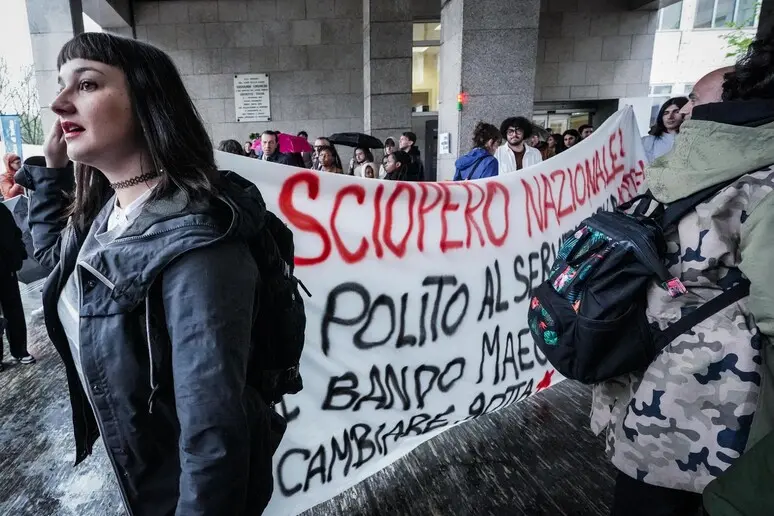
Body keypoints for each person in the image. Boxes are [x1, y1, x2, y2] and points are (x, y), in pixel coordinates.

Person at [14, 32, 277, 515]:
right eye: (60, 87)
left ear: (148, 101)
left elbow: (212, 436)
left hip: (176, 493)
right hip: (139, 473)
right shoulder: (106, 212)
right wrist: (52, 174)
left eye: (86, 85)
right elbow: (56, 266)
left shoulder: (199, 245)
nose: (58, 103)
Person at [593, 30, 774, 516]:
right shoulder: (760, 183)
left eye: (695, 98)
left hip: (646, 377)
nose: (684, 108)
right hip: (710, 404)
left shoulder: (678, 172)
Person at [0, 201, 34, 372]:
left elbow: (13, 234)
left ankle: (19, 350)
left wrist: (15, 258)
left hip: (5, 268)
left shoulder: (1, 210)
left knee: (13, 309)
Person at [641, 97, 689, 164]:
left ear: (686, 114)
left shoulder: (692, 140)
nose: (670, 117)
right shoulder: (647, 141)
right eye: (666, 113)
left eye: (676, 112)